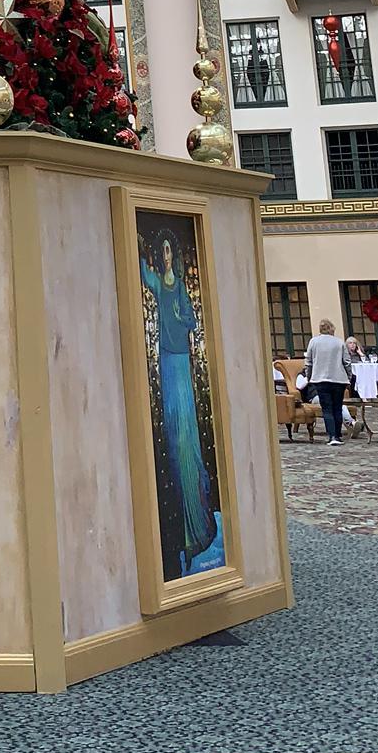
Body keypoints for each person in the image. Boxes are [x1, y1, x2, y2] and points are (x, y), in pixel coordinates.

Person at [138, 233, 216, 567]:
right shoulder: (158, 283)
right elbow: (145, 276)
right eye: (163, 250)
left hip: (181, 359)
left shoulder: (180, 285)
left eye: (170, 250)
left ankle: (197, 521)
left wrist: (181, 320)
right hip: (167, 359)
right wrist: (139, 250)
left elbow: (192, 319)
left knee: (186, 433)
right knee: (173, 427)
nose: (166, 254)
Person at [303, 318, 354, 446]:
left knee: (327, 409)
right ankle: (338, 434)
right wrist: (348, 377)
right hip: (338, 379)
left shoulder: (313, 342)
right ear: (331, 329)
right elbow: (347, 362)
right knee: (337, 407)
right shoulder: (339, 342)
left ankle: (332, 436)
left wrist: (309, 377)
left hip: (320, 379)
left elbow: (308, 362)